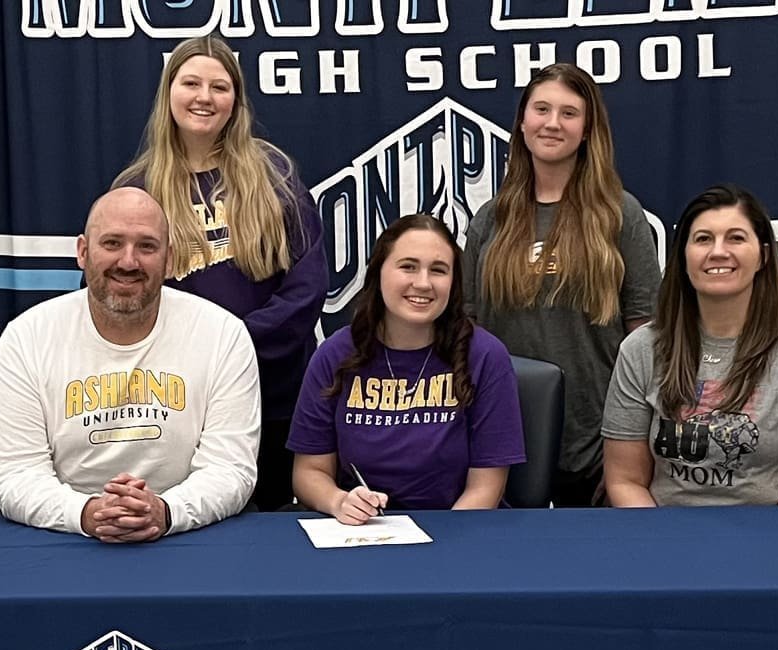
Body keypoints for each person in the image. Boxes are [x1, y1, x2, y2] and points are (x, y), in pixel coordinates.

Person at [113, 35, 327, 511]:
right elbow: (116, 292)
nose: (204, 97)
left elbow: (306, 286)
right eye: (191, 83)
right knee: (183, 518)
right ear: (169, 92)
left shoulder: (274, 176)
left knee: (269, 526)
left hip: (271, 394)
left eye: (219, 86)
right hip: (175, 400)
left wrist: (230, 346)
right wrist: (192, 357)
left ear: (236, 100)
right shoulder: (137, 189)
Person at [0, 187, 260, 541]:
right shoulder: (27, 337)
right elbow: (15, 472)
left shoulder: (223, 335)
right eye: (112, 243)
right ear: (83, 252)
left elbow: (230, 468)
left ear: (170, 259)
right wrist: (88, 514)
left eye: (146, 246)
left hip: (188, 537)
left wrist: (165, 511)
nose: (128, 262)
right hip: (63, 539)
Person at [463, 63, 661, 506]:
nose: (553, 123)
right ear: (522, 121)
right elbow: (467, 331)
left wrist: (635, 440)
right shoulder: (490, 220)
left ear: (587, 130)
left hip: (599, 442)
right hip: (505, 437)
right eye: (542, 109)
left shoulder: (620, 215)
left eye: (569, 113)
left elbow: (646, 337)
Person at [601, 184, 778, 507]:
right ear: (683, 257)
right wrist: (659, 535)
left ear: (763, 255)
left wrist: (764, 539)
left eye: (736, 238)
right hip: (665, 531)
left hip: (773, 532)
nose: (718, 251)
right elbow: (625, 480)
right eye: (703, 239)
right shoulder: (641, 349)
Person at [288, 214, 526, 524]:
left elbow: (486, 488)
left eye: (438, 270)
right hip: (361, 531)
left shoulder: (485, 356)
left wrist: (441, 545)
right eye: (408, 267)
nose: (423, 283)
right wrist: (338, 501)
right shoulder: (334, 355)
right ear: (378, 271)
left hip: (459, 529)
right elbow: (309, 471)